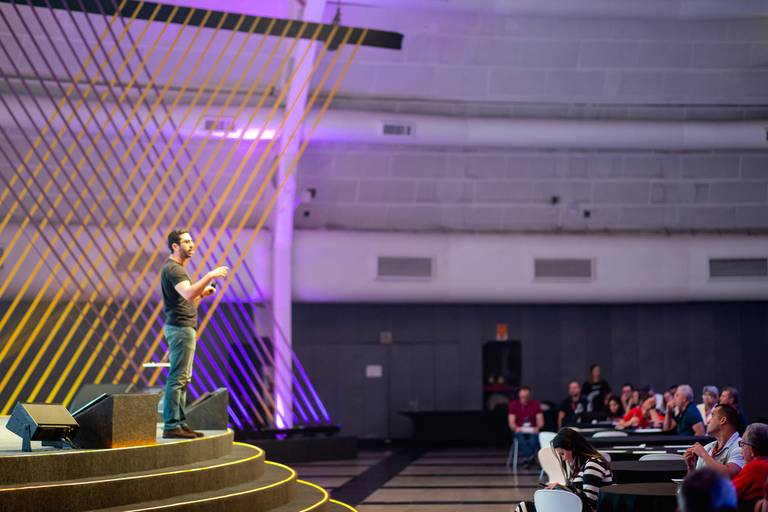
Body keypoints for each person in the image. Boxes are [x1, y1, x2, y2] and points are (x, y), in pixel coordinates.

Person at [160, 229, 229, 439]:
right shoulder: (174, 270)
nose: (191, 245)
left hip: (183, 327)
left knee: (183, 378)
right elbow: (189, 293)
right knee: (178, 378)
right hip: (181, 329)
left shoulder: (177, 269)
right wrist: (210, 275)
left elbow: (188, 299)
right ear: (175, 246)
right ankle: (172, 425)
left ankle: (179, 424)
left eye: (192, 241)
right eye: (186, 241)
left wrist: (202, 293)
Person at [685, 404, 744, 477]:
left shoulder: (741, 447)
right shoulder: (707, 448)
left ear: (722, 420)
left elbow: (727, 475)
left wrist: (704, 455)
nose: (708, 421)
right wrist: (691, 468)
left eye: (712, 415)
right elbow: (697, 483)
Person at [731, 423, 768, 506]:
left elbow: (726, 495)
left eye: (742, 444)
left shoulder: (756, 466)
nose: (741, 452)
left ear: (751, 449)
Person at [508, 385, 544, 467]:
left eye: (526, 396)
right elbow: (511, 423)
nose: (524, 398)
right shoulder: (514, 405)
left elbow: (540, 421)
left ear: (529, 396)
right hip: (519, 430)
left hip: (532, 430)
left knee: (533, 438)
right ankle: (530, 457)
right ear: (519, 395)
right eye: (522, 397)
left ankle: (527, 458)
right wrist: (516, 428)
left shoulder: (535, 404)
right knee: (521, 438)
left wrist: (537, 428)